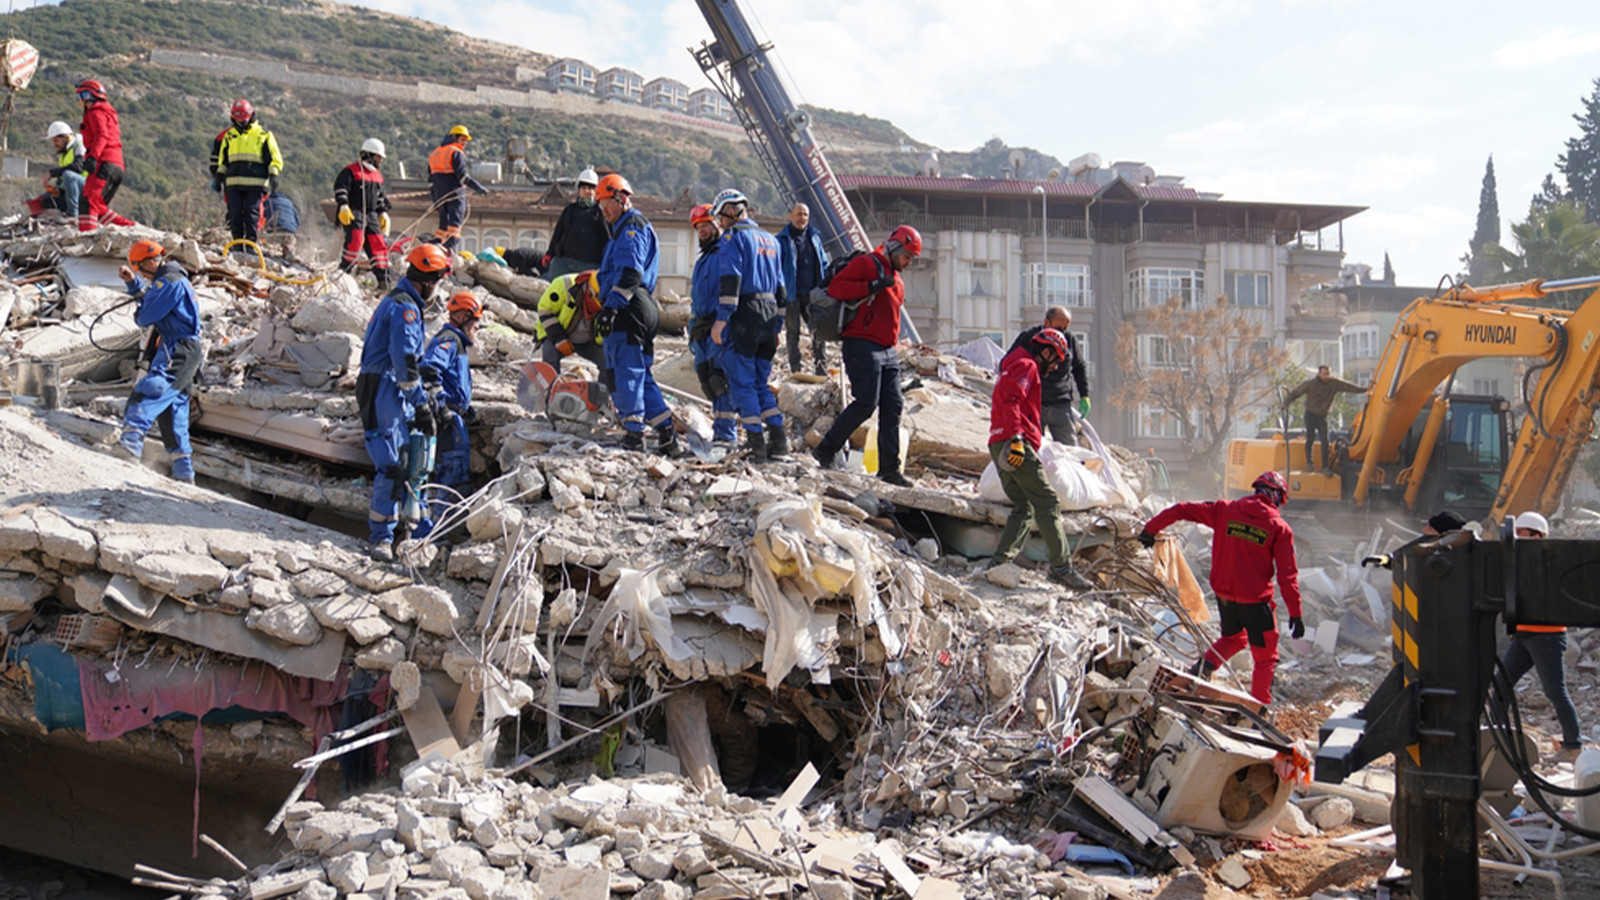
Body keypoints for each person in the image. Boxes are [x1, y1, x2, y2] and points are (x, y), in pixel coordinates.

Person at [1138, 471, 1302, 708]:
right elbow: (1288, 576)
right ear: (1277, 498)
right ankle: (1257, 713)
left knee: (1233, 639)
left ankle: (1201, 669)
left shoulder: (1225, 510)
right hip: (1257, 604)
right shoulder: (1279, 527)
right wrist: (1295, 613)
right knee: (1265, 660)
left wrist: (1150, 529)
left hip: (1226, 598)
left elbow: (1181, 509)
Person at [357, 243, 452, 561]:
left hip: (388, 387)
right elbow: (405, 363)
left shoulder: (397, 301)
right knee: (392, 463)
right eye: (437, 283)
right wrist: (420, 403)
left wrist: (423, 400)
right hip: (384, 387)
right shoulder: (406, 309)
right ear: (429, 280)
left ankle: (408, 531)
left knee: (412, 461)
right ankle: (380, 538)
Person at [810, 225, 923, 487]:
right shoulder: (867, 264)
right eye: (906, 256)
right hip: (861, 344)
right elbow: (837, 288)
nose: (908, 262)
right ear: (894, 248)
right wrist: (871, 285)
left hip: (887, 350)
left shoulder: (896, 277)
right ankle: (825, 450)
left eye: (911, 258)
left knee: (893, 407)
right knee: (865, 403)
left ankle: (889, 470)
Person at [988, 328, 1095, 590]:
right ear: (1045, 351)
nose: (1057, 365)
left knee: (1023, 506)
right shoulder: (1027, 366)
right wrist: (1016, 438)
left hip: (998, 440)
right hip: (1015, 442)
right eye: (1056, 359)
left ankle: (999, 562)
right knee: (1047, 502)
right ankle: (1062, 568)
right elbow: (1011, 400)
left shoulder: (1014, 363)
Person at [593, 173, 681, 457]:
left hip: (629, 307)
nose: (605, 210)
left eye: (608, 203)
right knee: (641, 374)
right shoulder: (623, 230)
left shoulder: (630, 228)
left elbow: (630, 272)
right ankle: (666, 430)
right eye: (601, 205)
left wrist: (612, 307)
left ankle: (633, 434)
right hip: (640, 306)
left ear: (622, 199)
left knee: (624, 368)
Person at [710, 188, 788, 463]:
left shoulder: (734, 238)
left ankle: (757, 445)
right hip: (769, 315)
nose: (720, 225)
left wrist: (722, 319)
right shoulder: (771, 240)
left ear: (730, 212)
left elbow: (731, 281)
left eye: (721, 218)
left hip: (745, 313)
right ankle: (779, 440)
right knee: (760, 382)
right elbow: (781, 288)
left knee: (741, 380)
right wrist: (777, 324)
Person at [115, 240, 203, 483]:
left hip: (178, 348)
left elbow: (146, 316)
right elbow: (154, 304)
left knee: (150, 390)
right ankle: (184, 472)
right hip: (183, 347)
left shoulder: (169, 282)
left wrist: (137, 298)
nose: (142, 274)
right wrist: (133, 285)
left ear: (152, 261)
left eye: (142, 269)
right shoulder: (172, 281)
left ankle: (130, 445)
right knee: (173, 409)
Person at [1498, 511, 1583, 760]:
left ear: (1537, 536)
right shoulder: (1517, 560)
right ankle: (1497, 740)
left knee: (1555, 691)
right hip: (1524, 635)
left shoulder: (1551, 560)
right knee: (1501, 686)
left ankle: (1573, 746)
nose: (1518, 538)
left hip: (1547, 637)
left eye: (1523, 533)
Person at [419, 292, 484, 534]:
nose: (477, 327)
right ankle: (438, 532)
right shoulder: (448, 340)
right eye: (475, 321)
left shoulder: (458, 343)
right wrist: (442, 406)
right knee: (451, 473)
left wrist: (464, 408)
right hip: (447, 421)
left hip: (456, 417)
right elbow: (429, 369)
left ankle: (447, 529)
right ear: (461, 316)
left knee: (456, 474)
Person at [687, 204, 738, 447]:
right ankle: (720, 430)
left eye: (705, 225)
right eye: (698, 227)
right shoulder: (702, 261)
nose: (702, 231)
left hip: (719, 326)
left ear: (717, 224)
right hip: (701, 329)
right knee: (706, 380)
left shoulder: (726, 253)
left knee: (720, 380)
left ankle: (727, 435)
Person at [1010, 306, 1090, 444]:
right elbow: (1009, 362)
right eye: (1058, 328)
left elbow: (1079, 367)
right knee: (1034, 447)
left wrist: (1085, 395)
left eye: (1065, 328)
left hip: (1061, 405)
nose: (1062, 333)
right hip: (1035, 404)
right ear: (1046, 323)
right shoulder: (1028, 339)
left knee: (1070, 449)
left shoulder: (1069, 340)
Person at [215, 98, 284, 246]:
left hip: (256, 184)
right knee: (235, 214)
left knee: (252, 214)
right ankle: (237, 244)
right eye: (238, 120)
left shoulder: (263, 135)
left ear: (251, 116)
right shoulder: (229, 136)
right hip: (233, 183)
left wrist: (274, 174)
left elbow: (275, 156)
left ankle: (251, 244)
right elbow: (223, 160)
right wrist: (219, 176)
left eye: (244, 120)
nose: (242, 123)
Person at [75, 79, 135, 232]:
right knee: (99, 208)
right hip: (117, 165)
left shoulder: (95, 112)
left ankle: (86, 239)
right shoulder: (108, 111)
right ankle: (131, 229)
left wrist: (93, 157)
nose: (78, 101)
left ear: (87, 96)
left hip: (104, 162)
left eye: (79, 96)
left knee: (88, 202)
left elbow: (102, 135)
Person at [777, 202, 830, 375]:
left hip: (813, 294)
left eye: (805, 215)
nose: (802, 218)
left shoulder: (814, 238)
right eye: (799, 214)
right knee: (793, 333)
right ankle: (795, 369)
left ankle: (821, 369)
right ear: (790, 216)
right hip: (792, 294)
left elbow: (823, 262)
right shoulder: (782, 240)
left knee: (818, 331)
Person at [334, 138, 393, 289]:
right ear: (370, 155)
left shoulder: (377, 176)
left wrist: (383, 212)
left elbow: (380, 197)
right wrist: (343, 205)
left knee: (378, 244)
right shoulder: (351, 171)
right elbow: (341, 188)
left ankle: (384, 281)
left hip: (372, 215)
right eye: (379, 157)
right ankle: (343, 274)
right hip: (355, 212)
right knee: (355, 241)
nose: (380, 160)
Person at [1284, 365, 1365, 473]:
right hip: (1310, 414)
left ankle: (1325, 467)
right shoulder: (1310, 384)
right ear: (1319, 374)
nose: (1326, 376)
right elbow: (1296, 393)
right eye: (1324, 374)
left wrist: (1364, 389)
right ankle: (1309, 464)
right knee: (1310, 438)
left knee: (1325, 441)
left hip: (1322, 416)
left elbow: (1349, 387)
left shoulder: (1333, 383)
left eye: (1328, 374)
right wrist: (1285, 403)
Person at [428, 125, 488, 251]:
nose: (465, 143)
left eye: (466, 140)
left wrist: (436, 201)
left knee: (443, 227)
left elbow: (431, 182)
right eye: (462, 139)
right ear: (454, 138)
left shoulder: (434, 154)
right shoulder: (456, 152)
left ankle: (436, 246)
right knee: (454, 226)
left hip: (440, 196)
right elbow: (462, 177)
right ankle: (450, 250)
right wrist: (477, 187)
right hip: (455, 194)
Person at [535, 270, 607, 371]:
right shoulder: (564, 284)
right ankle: (551, 385)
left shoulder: (611, 301)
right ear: (590, 291)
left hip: (589, 342)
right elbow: (545, 311)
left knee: (609, 361)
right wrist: (559, 338)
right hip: (557, 333)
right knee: (550, 356)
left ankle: (605, 387)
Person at [544, 167, 609, 277]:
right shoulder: (570, 210)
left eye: (590, 188)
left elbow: (607, 239)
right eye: (584, 187)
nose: (587, 191)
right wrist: (549, 254)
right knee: (557, 291)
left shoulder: (600, 213)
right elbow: (558, 233)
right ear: (579, 190)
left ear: (596, 191)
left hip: (589, 264)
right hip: (564, 262)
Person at [26, 121, 85, 223]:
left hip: (85, 190)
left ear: (66, 138)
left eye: (56, 141)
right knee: (45, 199)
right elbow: (64, 178)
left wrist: (52, 173)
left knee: (68, 175)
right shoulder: (64, 153)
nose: (54, 144)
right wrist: (56, 190)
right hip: (73, 193)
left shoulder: (79, 145)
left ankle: (72, 215)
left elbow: (78, 167)